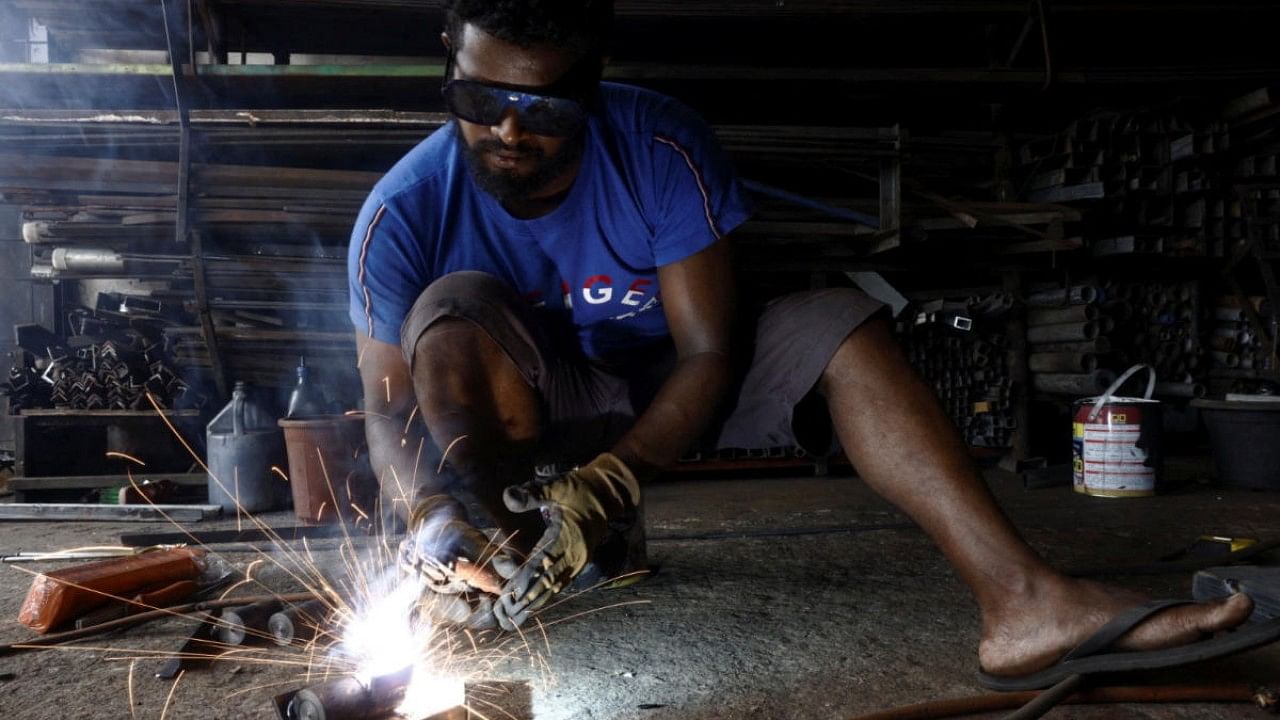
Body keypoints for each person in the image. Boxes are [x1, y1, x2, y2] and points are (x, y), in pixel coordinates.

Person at [349, 0, 1254, 688]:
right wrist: (431, 508)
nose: (508, 129)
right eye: (479, 97)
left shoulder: (661, 148)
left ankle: (1024, 602)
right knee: (453, 304)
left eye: (542, 106)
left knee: (840, 324)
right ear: (448, 63)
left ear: (591, 81)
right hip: (536, 424)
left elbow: (708, 354)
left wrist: (619, 477)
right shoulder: (403, 211)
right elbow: (388, 408)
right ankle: (510, 543)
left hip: (677, 386)